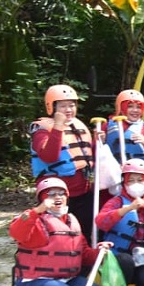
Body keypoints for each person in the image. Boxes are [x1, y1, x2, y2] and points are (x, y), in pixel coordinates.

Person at [10, 177, 111, 286]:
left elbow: (84, 254)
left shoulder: (71, 220)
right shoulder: (36, 221)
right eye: (51, 194)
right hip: (34, 282)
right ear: (42, 199)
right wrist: (37, 211)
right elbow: (16, 232)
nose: (57, 197)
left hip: (65, 280)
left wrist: (100, 252)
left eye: (61, 194)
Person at [30, 84, 95, 241]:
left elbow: (87, 157)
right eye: (63, 106)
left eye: (72, 105)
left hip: (82, 192)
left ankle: (84, 263)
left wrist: (99, 141)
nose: (69, 110)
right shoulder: (41, 129)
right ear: (52, 107)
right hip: (55, 194)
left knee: (84, 233)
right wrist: (58, 126)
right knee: (57, 236)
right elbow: (49, 156)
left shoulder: (78, 126)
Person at [105, 89, 144, 174]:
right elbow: (96, 155)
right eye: (130, 106)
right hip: (113, 175)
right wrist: (99, 141)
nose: (135, 110)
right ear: (121, 108)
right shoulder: (106, 127)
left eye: (139, 107)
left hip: (138, 177)